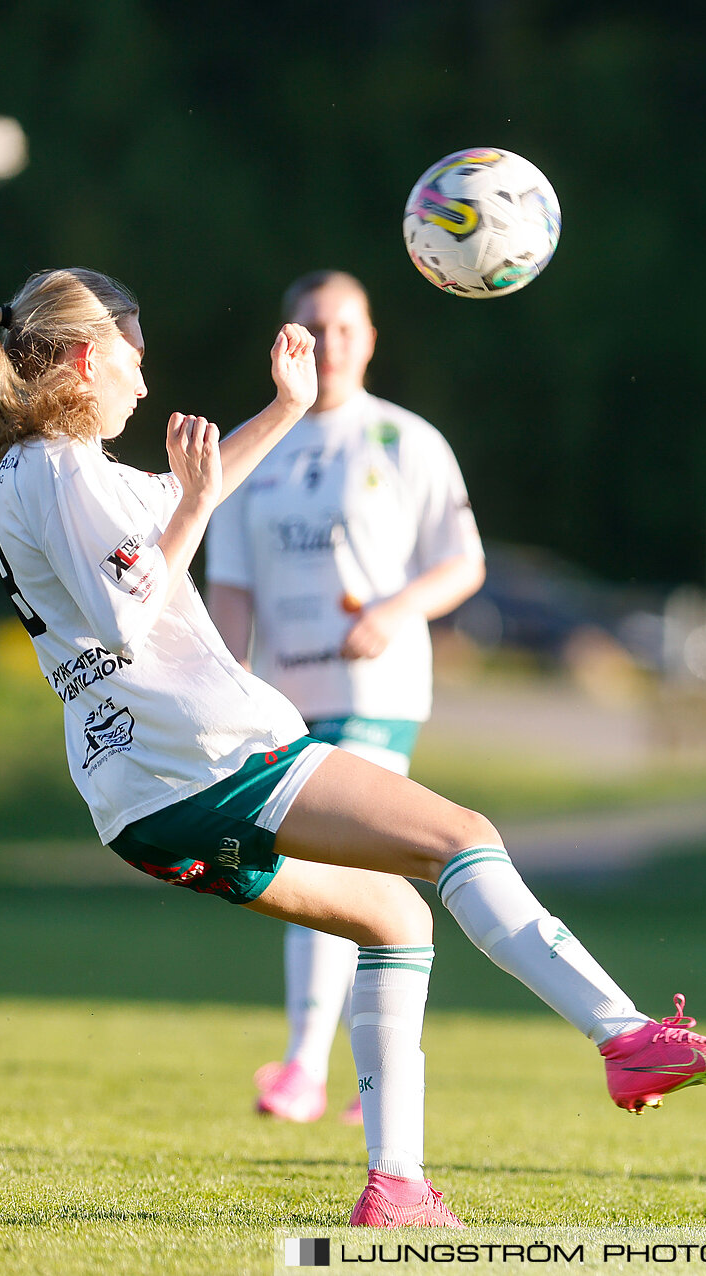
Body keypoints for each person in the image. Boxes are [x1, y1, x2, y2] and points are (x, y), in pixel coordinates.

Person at [0, 268, 706, 1228]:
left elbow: (186, 502)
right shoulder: (59, 469)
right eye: (135, 360)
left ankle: (396, 1188)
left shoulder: (54, 474)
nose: (144, 384)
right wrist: (191, 503)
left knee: (395, 921)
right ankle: (628, 1038)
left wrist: (283, 409)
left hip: (142, 796)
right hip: (207, 759)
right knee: (463, 836)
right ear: (84, 357)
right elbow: (131, 606)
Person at [205, 271, 485, 1126]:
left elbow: (462, 562)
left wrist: (398, 610)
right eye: (311, 328)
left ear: (369, 338)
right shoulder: (257, 450)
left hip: (374, 687)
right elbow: (230, 592)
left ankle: (303, 1068)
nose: (329, 343)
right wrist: (218, 687)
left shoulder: (405, 441)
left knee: (339, 872)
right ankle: (365, 1070)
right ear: (287, 341)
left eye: (345, 327)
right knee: (332, 883)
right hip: (281, 698)